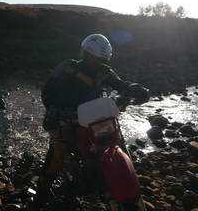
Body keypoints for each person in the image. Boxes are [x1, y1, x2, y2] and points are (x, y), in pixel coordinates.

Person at [34, 33, 149, 208]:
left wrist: (134, 89)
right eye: (94, 58)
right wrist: (54, 109)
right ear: (85, 54)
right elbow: (47, 91)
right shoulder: (68, 68)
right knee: (58, 153)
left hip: (95, 116)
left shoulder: (104, 71)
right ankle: (41, 191)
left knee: (116, 140)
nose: (97, 63)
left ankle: (124, 177)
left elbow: (120, 84)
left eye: (101, 60)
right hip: (67, 117)